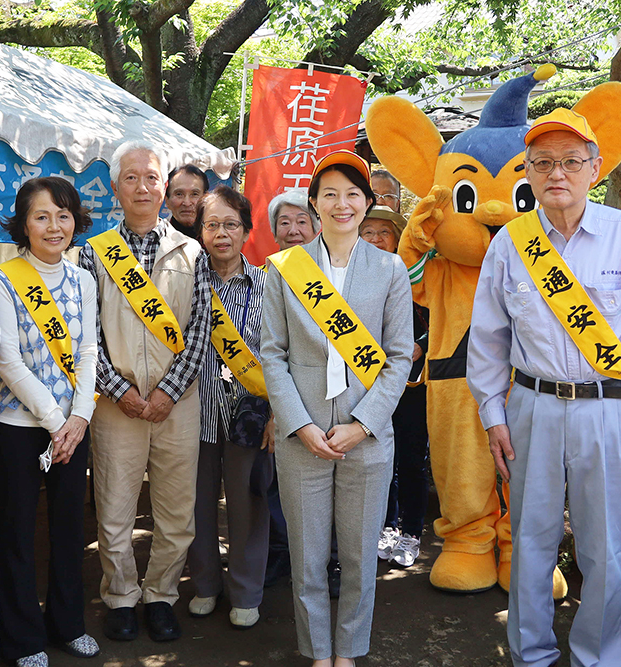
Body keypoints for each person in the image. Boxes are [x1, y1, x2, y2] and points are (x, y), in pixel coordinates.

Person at [467, 108, 621, 666]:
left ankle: (599, 657)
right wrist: (493, 415)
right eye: (541, 163)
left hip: (608, 412)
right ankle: (530, 655)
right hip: (531, 408)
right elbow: (487, 340)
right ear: (529, 174)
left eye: (569, 161)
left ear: (596, 167)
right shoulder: (511, 243)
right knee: (530, 541)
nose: (555, 173)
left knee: (605, 548)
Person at [260, 150, 413, 667]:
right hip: (302, 436)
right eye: (330, 193)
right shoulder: (285, 268)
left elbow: (398, 357)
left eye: (352, 194)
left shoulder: (391, 268)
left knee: (357, 556)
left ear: (367, 203)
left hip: (365, 436)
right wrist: (298, 423)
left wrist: (364, 424)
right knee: (306, 557)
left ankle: (348, 650)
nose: (341, 204)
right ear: (313, 203)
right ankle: (316, 651)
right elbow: (272, 354)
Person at [78, 140, 210, 643]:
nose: (142, 186)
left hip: (178, 403)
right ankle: (121, 597)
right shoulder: (92, 253)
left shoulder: (191, 250)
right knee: (114, 509)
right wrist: (121, 391)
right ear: (115, 188)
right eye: (130, 177)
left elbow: (200, 331)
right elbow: (84, 333)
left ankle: (160, 595)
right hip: (118, 405)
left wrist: (168, 393)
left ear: (166, 187)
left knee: (177, 512)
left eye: (151, 177)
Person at [0, 177, 100, 666]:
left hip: (74, 429)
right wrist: (57, 421)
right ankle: (21, 640)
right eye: (42, 216)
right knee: (16, 532)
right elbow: (8, 361)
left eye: (63, 215)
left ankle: (68, 624)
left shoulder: (84, 280)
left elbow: (90, 351)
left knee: (69, 528)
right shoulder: (4, 278)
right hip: (18, 428)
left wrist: (79, 417)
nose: (54, 226)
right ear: (23, 223)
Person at [186, 186, 273, 629]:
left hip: (248, 419)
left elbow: (284, 355)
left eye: (231, 224)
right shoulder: (185, 281)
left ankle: (246, 591)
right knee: (195, 506)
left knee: (249, 505)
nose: (222, 233)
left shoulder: (268, 284)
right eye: (212, 224)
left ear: (247, 231)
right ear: (200, 231)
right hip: (191, 416)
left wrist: (277, 413)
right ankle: (205, 584)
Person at [359, 206, 431, 568]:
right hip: (366, 384)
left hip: (411, 384)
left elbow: (446, 319)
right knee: (377, 457)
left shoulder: (419, 273)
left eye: (383, 232)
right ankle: (385, 526)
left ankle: (412, 531)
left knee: (410, 459)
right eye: (367, 231)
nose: (374, 239)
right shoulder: (351, 275)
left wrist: (423, 343)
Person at [263, 189, 323, 589]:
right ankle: (282, 553)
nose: (293, 229)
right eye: (285, 222)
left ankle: (331, 561)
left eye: (302, 221)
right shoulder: (269, 274)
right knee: (277, 485)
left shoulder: (333, 275)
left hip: (327, 401)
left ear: (317, 226)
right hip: (277, 397)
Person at [165, 164, 209, 237]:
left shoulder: (216, 238)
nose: (187, 203)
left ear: (206, 199)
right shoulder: (158, 239)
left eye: (194, 194)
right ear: (167, 201)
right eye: (179, 194)